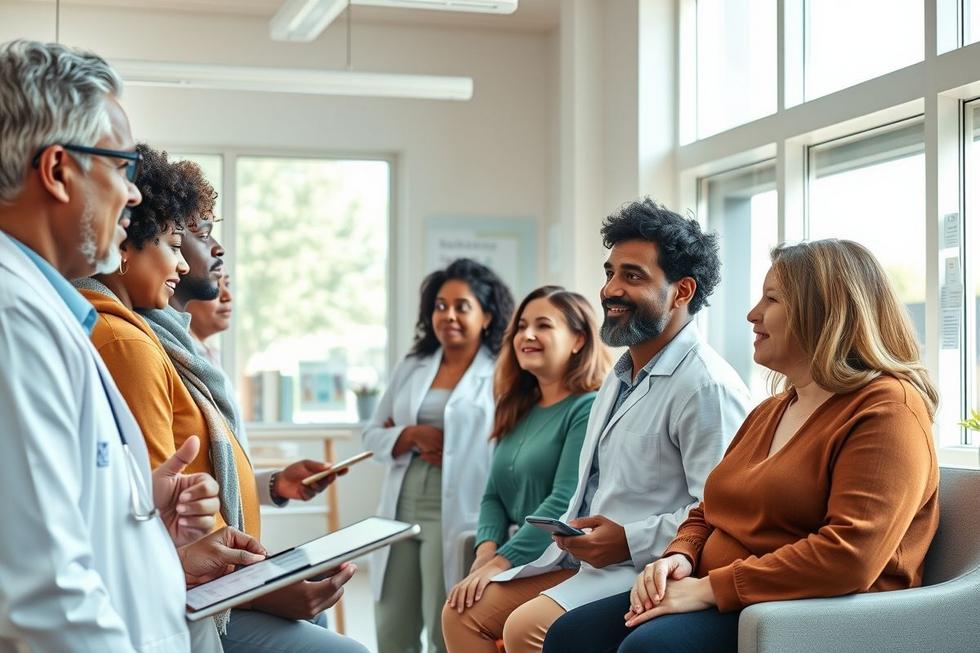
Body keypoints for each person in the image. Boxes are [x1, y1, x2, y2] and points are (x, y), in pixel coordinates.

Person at [542, 239, 941, 653]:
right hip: (724, 591)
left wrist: (710, 589)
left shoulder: (890, 410)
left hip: (810, 610)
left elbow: (849, 557)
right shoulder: (772, 409)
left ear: (825, 312)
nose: (753, 314)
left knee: (650, 649)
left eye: (772, 299)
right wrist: (680, 557)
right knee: (570, 636)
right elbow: (707, 510)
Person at [0, 39, 256, 652]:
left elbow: (63, 522)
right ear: (59, 170)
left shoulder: (50, 311)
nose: (135, 195)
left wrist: (141, 513)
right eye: (121, 168)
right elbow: (45, 591)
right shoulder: (16, 321)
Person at [91, 148, 365, 653]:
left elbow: (198, 476)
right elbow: (173, 505)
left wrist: (272, 488)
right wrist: (260, 589)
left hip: (208, 575)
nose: (209, 251)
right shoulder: (128, 341)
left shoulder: (165, 340)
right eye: (186, 237)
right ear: (128, 241)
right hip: (190, 589)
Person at [472, 199, 752, 653]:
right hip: (587, 561)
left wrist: (628, 542)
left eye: (633, 276)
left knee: (525, 628)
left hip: (646, 570)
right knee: (467, 613)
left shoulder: (707, 387)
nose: (610, 290)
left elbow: (723, 515)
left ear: (681, 291)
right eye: (610, 273)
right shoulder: (619, 377)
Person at [441, 285, 611, 651]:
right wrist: (485, 552)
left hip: (564, 560)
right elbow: (492, 496)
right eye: (521, 326)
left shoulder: (587, 408)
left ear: (578, 339)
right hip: (525, 558)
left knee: (461, 614)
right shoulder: (518, 408)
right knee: (459, 605)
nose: (527, 335)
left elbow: (563, 500)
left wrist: (501, 563)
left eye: (544, 325)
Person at [364, 258, 515, 653]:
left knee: (443, 619)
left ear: (486, 316)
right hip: (402, 502)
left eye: (461, 306)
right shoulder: (413, 365)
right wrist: (410, 434)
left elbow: (504, 444)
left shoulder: (503, 372)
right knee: (391, 621)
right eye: (440, 305)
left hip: (457, 508)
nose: (448, 315)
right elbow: (372, 433)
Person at [185, 269, 232, 367]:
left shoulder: (212, 356)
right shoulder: (179, 358)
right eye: (213, 286)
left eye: (227, 284)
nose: (227, 296)